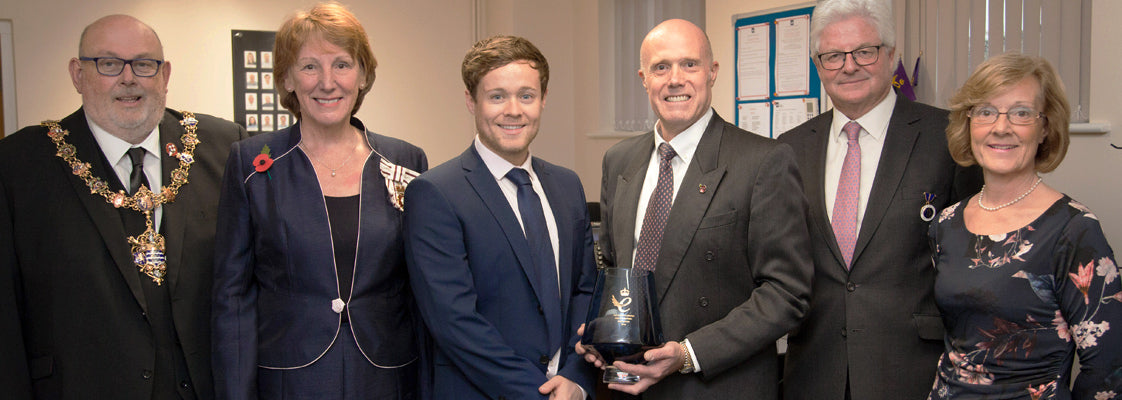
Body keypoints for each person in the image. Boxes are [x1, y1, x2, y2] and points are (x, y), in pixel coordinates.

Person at [0, 14, 247, 399]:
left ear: (165, 75)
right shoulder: (20, 164)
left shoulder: (225, 148)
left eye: (144, 64)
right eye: (109, 64)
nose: (128, 78)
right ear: (77, 74)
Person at [585, 18, 814, 399]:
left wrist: (688, 355)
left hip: (716, 386)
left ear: (712, 71)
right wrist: (601, 329)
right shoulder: (619, 161)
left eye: (689, 64)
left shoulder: (763, 162)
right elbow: (612, 268)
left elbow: (787, 292)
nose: (675, 79)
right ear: (644, 78)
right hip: (628, 386)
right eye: (661, 67)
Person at [211, 3, 427, 399]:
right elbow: (232, 298)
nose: (327, 82)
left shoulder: (406, 161)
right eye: (309, 66)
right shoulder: (251, 163)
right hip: (289, 380)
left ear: (363, 75)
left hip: (387, 377)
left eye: (342, 64)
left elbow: (422, 291)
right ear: (287, 79)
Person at [777, 1, 982, 399]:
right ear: (818, 66)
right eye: (833, 56)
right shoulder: (790, 148)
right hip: (815, 371)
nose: (849, 66)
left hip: (912, 370)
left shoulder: (949, 138)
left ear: (891, 54)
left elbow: (974, 265)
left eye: (864, 51)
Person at [403, 35, 597, 400]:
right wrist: (539, 394)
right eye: (497, 96)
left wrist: (576, 377)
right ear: (470, 101)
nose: (513, 110)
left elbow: (585, 291)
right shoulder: (435, 193)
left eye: (526, 95)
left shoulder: (567, 185)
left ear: (543, 99)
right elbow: (455, 322)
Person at [928, 52, 1122, 399]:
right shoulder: (946, 223)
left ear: (1045, 127)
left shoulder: (1074, 230)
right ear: (968, 123)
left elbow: (1107, 369)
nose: (1001, 127)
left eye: (1021, 113)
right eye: (986, 111)